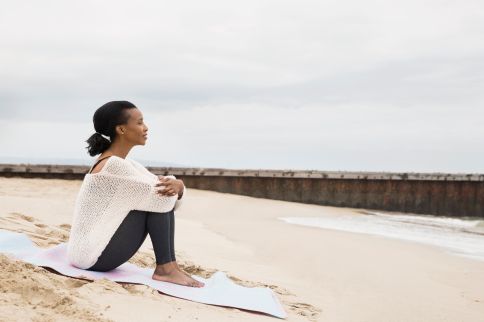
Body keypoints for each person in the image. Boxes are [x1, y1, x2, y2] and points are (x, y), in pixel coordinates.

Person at [66, 100, 204, 288]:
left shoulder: (126, 163)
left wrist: (177, 187)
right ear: (121, 130)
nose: (145, 128)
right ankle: (166, 268)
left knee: (157, 197)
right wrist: (178, 186)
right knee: (157, 199)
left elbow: (160, 187)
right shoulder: (114, 166)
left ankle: (170, 266)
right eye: (139, 123)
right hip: (91, 257)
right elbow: (163, 197)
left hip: (87, 252)